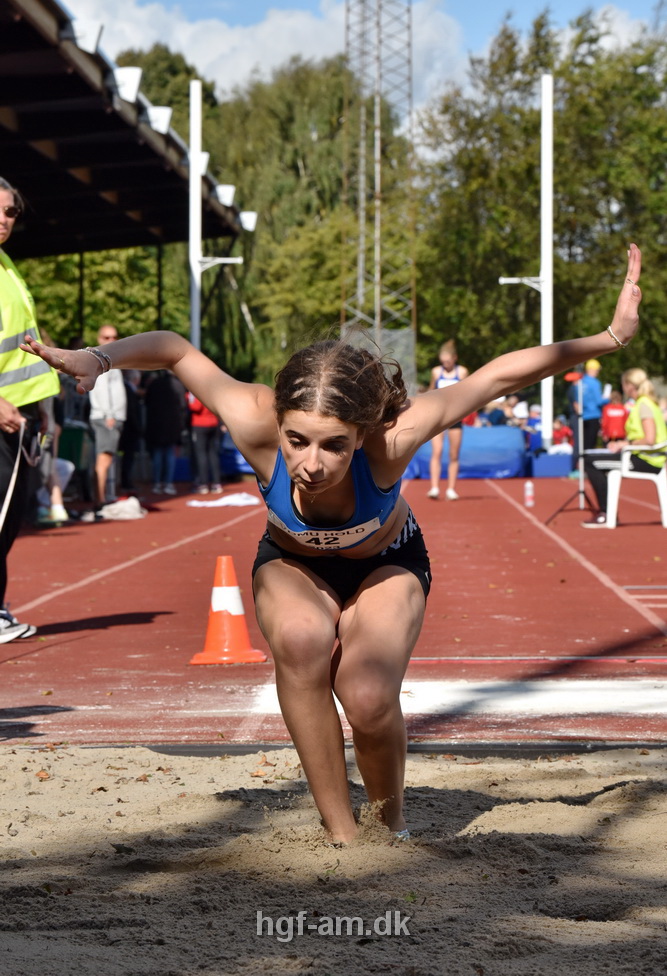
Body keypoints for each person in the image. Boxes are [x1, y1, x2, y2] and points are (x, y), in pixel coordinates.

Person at [21, 244, 643, 842]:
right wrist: (98, 358)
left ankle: (390, 828)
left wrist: (609, 338)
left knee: (367, 697)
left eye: (334, 446)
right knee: (300, 640)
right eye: (297, 441)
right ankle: (342, 835)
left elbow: (495, 377)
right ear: (279, 424)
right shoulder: (252, 418)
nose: (311, 464)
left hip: (387, 563)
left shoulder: (393, 439)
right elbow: (176, 350)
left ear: (362, 434)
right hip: (293, 563)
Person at [0, 176, 60, 642]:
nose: (4, 220)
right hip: (3, 415)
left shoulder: (6, 266)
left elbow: (21, 347)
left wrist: (41, 405)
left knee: (9, 519)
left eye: (10, 212)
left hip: (20, 415)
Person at [583, 367, 665, 527]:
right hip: (645, 457)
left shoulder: (643, 404)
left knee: (591, 462)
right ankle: (608, 512)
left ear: (629, 385)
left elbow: (649, 439)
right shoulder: (645, 403)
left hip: (647, 460)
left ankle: (606, 513)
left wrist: (624, 444)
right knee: (595, 459)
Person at [88, 324, 126, 507]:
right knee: (104, 458)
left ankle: (104, 496)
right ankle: (101, 499)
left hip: (112, 416)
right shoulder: (101, 360)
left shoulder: (110, 359)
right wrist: (109, 415)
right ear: (99, 339)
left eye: (114, 337)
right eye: (107, 337)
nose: (111, 340)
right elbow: (101, 390)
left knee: (107, 457)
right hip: (106, 416)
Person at [426, 340, 469, 500]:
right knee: (437, 451)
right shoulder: (436, 372)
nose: (445, 364)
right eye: (443, 361)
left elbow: (468, 391)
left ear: (454, 358)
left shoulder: (462, 372)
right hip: (438, 416)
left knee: (453, 454)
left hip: (455, 417)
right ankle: (434, 487)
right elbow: (431, 391)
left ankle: (451, 489)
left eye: (448, 361)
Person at [144, 370, 186, 495]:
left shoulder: (154, 384)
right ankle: (168, 483)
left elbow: (147, 402)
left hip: (156, 424)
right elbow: (183, 405)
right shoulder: (177, 385)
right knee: (169, 454)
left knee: (158, 454)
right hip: (172, 425)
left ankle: (157, 483)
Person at [187, 390, 224, 494]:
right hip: (213, 423)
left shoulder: (196, 390)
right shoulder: (212, 391)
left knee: (201, 454)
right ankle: (216, 483)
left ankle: (203, 483)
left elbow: (195, 407)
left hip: (200, 425)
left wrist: (188, 398)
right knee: (212, 453)